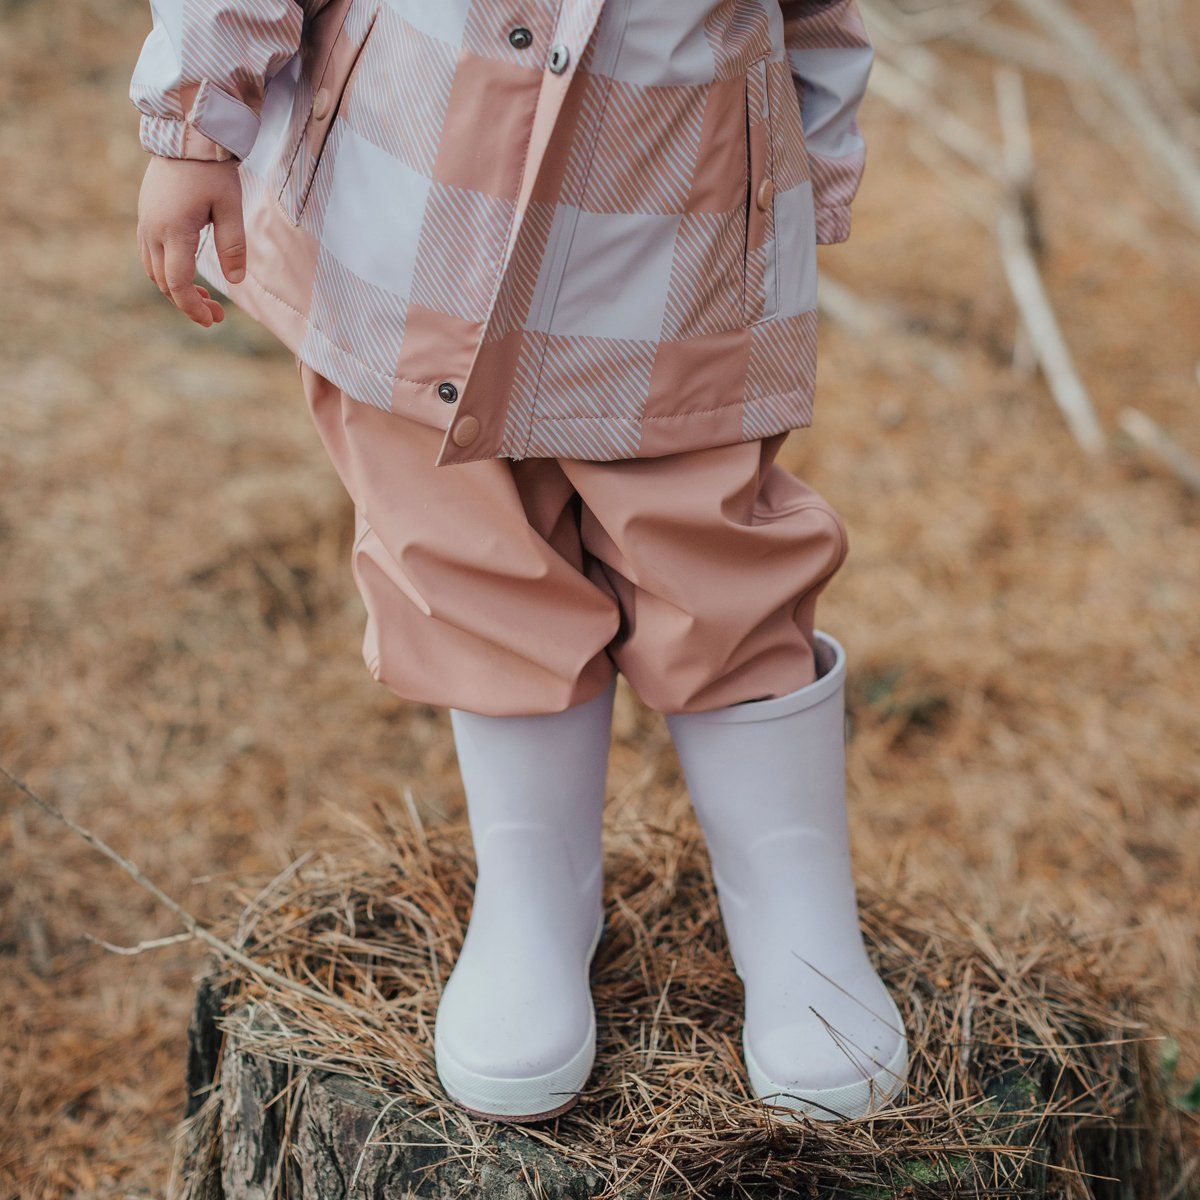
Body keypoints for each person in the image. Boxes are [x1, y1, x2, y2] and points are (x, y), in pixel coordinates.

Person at [131, 0, 907, 1124]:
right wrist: (199, 118)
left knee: (715, 559)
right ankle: (537, 899)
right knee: (464, 546)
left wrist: (814, 149)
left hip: (672, 183)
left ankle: (798, 926)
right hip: (418, 173)